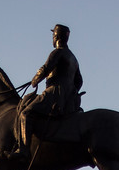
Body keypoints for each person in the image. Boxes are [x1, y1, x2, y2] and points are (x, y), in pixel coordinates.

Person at [9, 24, 83, 162]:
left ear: (56, 36)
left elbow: (45, 68)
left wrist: (35, 80)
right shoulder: (73, 58)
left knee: (25, 114)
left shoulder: (57, 52)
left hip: (54, 93)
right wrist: (70, 93)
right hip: (68, 97)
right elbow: (79, 81)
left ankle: (23, 151)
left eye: (53, 35)